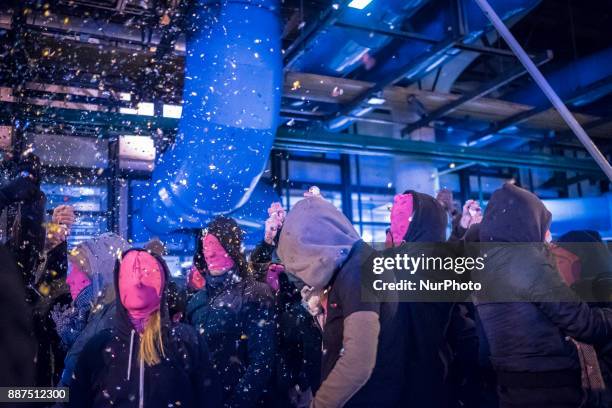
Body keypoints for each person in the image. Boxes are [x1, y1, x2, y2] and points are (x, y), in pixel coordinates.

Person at [474, 182, 612, 408]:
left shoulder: (483, 267)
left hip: (513, 391)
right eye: (543, 225)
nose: (547, 235)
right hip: (553, 390)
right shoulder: (525, 261)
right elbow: (582, 323)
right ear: (526, 221)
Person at [277, 196, 405, 407]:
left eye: (302, 263)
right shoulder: (351, 264)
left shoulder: (359, 271)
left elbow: (358, 362)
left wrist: (320, 404)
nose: (305, 275)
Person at [68, 248, 220, 407]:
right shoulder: (99, 346)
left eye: (146, 273)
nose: (138, 281)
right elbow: (74, 398)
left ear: (162, 284)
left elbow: (209, 398)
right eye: (129, 275)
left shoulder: (185, 341)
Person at [384, 190, 469, 408]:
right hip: (431, 380)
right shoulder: (441, 268)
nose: (396, 223)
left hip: (399, 383)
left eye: (402, 217)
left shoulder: (394, 267)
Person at [186, 216, 276, 408]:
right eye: (206, 246)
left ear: (231, 249)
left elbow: (262, 361)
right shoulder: (195, 301)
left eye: (216, 245)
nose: (209, 253)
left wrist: (236, 404)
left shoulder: (254, 294)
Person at [250, 202, 322, 407]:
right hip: (269, 381)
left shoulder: (298, 310)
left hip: (291, 379)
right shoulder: (258, 305)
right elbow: (255, 271)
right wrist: (268, 241)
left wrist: (301, 382)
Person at [54, 233, 130, 386]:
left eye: (77, 269)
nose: (69, 279)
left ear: (101, 277)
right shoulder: (92, 315)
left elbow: (73, 386)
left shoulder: (107, 320)